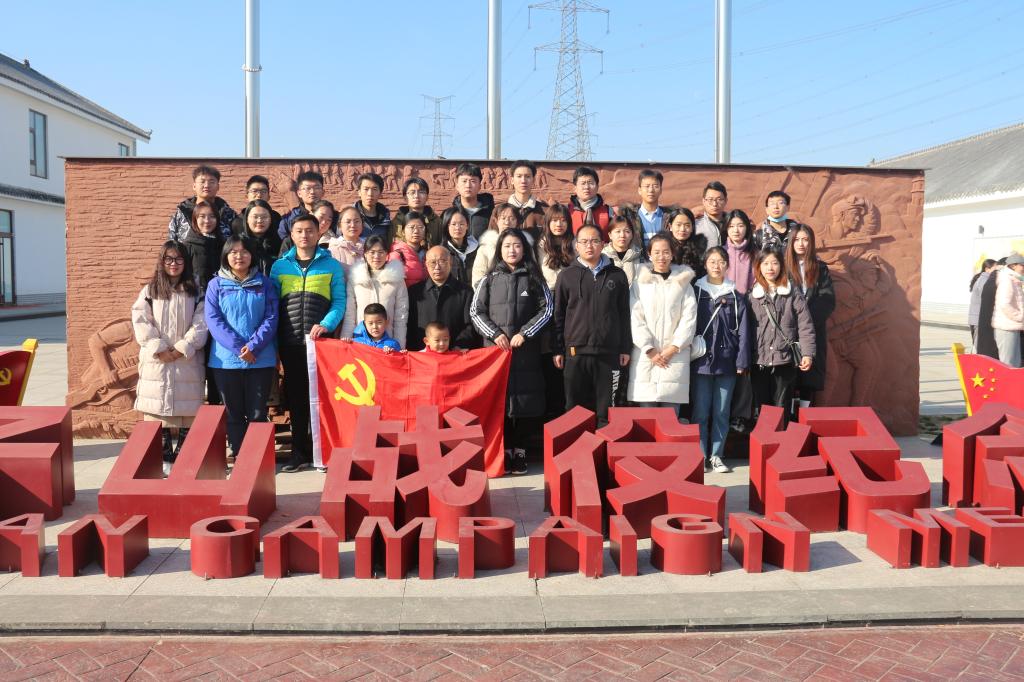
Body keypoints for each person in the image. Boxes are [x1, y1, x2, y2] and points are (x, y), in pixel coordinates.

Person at [470, 229, 553, 475]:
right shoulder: (489, 279)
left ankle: (520, 450)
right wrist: (495, 334)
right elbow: (476, 311)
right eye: (507, 246)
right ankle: (504, 450)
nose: (512, 250)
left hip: (526, 352)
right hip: (496, 353)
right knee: (501, 402)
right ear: (499, 249)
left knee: (527, 402)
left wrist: (525, 333)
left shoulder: (535, 278)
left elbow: (547, 310)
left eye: (517, 245)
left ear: (524, 249)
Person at [270, 213, 347, 473]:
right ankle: (299, 453)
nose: (305, 235)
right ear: (292, 235)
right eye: (299, 231)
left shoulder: (331, 265)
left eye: (310, 230)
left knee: (322, 398)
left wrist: (326, 324)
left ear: (318, 233)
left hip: (320, 346)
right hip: (290, 342)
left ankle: (322, 452)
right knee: (297, 399)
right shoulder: (280, 266)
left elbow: (339, 301)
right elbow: (273, 306)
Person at [131, 241, 208, 476]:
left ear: (186, 262)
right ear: (162, 261)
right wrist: (159, 348)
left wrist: (183, 347)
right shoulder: (150, 290)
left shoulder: (196, 289)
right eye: (169, 259)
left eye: (178, 259)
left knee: (187, 412)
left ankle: (183, 458)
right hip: (157, 362)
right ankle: (165, 458)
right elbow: (141, 319)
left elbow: (202, 321)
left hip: (186, 360)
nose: (173, 264)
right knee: (158, 411)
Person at [205, 236, 279, 462]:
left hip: (260, 358)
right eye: (234, 252)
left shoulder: (264, 283)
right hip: (226, 360)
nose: (239, 256)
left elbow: (271, 317)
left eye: (244, 251)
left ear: (252, 255)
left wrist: (254, 346)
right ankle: (238, 455)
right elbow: (213, 320)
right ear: (226, 256)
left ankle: (257, 459)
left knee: (257, 412)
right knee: (233, 412)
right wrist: (239, 348)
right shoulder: (216, 285)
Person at [553, 224, 632, 427]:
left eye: (595, 241)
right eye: (584, 241)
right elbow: (559, 315)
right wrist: (558, 349)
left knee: (607, 412)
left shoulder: (617, 275)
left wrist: (625, 347)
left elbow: (624, 314)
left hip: (609, 354)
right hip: (575, 353)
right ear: (576, 246)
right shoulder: (566, 276)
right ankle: (577, 448)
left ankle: (604, 447)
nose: (589, 246)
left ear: (603, 244)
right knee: (574, 411)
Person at [690, 246, 750, 474]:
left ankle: (717, 455)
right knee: (700, 412)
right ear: (705, 264)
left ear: (727, 265)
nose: (717, 266)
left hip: (727, 362)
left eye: (721, 262)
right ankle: (700, 455)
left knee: (722, 412)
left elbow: (744, 332)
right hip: (701, 362)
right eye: (712, 261)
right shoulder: (696, 292)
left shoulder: (736, 296)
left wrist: (741, 361)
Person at [626, 233, 697, 417]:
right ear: (649, 254)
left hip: (674, 357)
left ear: (672, 254)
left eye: (666, 252)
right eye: (656, 252)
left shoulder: (683, 284)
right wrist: (649, 349)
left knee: (670, 419)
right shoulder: (639, 284)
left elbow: (689, 319)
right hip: (646, 357)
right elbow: (635, 317)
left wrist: (673, 348)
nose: (661, 257)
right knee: (647, 419)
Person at [749, 249, 816, 423]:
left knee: (782, 406)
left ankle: (781, 438)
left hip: (785, 360)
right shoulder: (752, 295)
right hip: (759, 361)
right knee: (761, 407)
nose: (770, 268)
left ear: (781, 266)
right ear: (759, 267)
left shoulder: (792, 293)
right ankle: (765, 439)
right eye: (765, 263)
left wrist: (807, 354)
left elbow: (805, 324)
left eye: (774, 263)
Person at [786, 225, 836, 407]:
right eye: (797, 239)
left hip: (812, 328)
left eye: (805, 239)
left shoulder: (820, 268)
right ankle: (790, 414)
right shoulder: (783, 267)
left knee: (809, 375)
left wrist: (806, 321)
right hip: (788, 329)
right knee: (789, 375)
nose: (801, 243)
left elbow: (827, 299)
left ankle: (804, 412)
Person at [340, 235, 409, 349]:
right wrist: (345, 343)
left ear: (387, 254)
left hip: (388, 345)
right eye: (372, 252)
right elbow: (350, 314)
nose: (376, 256)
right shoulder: (356, 278)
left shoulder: (397, 279)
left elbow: (401, 316)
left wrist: (399, 346)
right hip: (360, 343)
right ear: (365, 254)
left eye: (381, 252)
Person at [407, 246, 477, 351]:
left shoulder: (465, 292)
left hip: (455, 353)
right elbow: (410, 326)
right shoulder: (415, 292)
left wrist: (459, 345)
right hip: (422, 354)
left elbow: (470, 325)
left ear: (451, 262)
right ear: (426, 264)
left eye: (442, 261)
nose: (437, 267)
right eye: (433, 262)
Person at [168, 165, 236, 241]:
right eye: (202, 182)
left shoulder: (228, 214)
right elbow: (172, 243)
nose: (206, 185)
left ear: (218, 187)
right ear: (194, 186)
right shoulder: (182, 212)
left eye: (211, 182)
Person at [472, 203, 527, 287]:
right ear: (496, 221)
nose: (507, 222)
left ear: (517, 222)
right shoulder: (486, 248)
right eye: (503, 218)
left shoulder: (525, 246)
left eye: (512, 219)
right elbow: (478, 277)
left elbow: (533, 272)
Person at [178, 199, 224, 292]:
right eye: (202, 216)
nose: (207, 221)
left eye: (212, 216)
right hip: (195, 297)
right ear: (195, 219)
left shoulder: (224, 245)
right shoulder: (187, 247)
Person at [442, 163, 495, 240]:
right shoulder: (449, 215)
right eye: (464, 181)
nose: (468, 185)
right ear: (457, 186)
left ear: (480, 186)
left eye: (473, 181)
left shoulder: (491, 213)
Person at [617, 169, 667, 247]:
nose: (651, 190)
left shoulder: (669, 217)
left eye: (655, 186)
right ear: (639, 190)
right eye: (647, 186)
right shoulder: (628, 217)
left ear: (661, 190)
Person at [992, 253, 1024, 367]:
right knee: (1007, 363)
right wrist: (1020, 316)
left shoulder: (1014, 280)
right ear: (1013, 265)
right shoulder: (1007, 280)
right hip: (1006, 327)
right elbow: (1004, 304)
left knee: (1015, 363)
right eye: (1022, 265)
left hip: (1012, 326)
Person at [567, 166, 615, 239]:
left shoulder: (609, 211)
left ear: (597, 187)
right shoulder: (567, 211)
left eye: (590, 183)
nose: (586, 187)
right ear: (575, 188)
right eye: (583, 183)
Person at [537, 203, 575, 290]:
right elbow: (547, 274)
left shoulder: (575, 242)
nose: (559, 224)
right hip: (551, 290)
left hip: (573, 289)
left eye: (563, 220)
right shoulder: (542, 244)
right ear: (548, 222)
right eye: (554, 220)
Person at [395, 177, 442, 247]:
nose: (416, 196)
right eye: (412, 192)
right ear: (405, 197)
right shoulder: (396, 222)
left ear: (427, 197)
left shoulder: (437, 222)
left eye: (421, 192)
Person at [239, 199, 282, 276]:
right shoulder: (238, 243)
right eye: (255, 217)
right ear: (247, 219)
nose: (259, 221)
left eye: (264, 217)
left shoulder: (279, 243)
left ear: (271, 219)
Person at [278, 170, 325, 238]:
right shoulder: (287, 220)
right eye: (307, 188)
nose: (312, 192)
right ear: (299, 193)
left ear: (323, 192)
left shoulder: (333, 217)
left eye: (316, 188)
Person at [507, 160, 548, 235]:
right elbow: (491, 240)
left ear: (533, 180)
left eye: (528, 176)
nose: (523, 181)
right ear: (512, 180)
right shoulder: (500, 211)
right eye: (519, 176)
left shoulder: (545, 211)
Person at [389, 211, 428, 288]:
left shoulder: (428, 254)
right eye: (411, 227)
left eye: (420, 227)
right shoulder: (397, 255)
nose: (416, 231)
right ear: (403, 231)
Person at [602, 215, 645, 285]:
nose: (622, 235)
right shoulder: (602, 258)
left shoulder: (640, 257)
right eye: (618, 231)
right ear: (610, 235)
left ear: (632, 235)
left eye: (627, 231)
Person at [666, 208, 707, 278]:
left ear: (692, 228)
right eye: (678, 225)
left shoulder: (699, 250)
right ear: (670, 226)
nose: (682, 229)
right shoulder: (663, 247)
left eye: (687, 225)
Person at [441, 207, 478, 284]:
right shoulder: (442, 252)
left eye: (461, 224)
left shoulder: (476, 249)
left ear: (467, 226)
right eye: (453, 224)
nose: (457, 228)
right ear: (447, 226)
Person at [723, 209, 755, 295]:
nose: (736, 230)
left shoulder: (755, 253)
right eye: (731, 226)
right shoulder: (721, 252)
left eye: (740, 226)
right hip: (724, 300)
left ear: (747, 227)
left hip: (750, 300)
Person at [354, 172, 392, 241]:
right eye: (366, 189)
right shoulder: (350, 215)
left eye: (374, 189)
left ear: (380, 193)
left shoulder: (386, 217)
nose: (370, 194)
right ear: (359, 192)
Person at [327, 206, 365, 271]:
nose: (353, 225)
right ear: (339, 226)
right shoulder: (331, 251)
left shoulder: (369, 247)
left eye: (357, 221)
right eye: (348, 222)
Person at [968, 259, 998, 342]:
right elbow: (987, 299)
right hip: (978, 319)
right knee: (978, 346)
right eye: (995, 269)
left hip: (979, 318)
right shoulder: (984, 280)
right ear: (987, 269)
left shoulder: (985, 279)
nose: (997, 271)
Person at [695, 181, 726, 247]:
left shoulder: (733, 224)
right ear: (704, 201)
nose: (715, 204)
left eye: (719, 199)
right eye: (710, 199)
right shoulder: (695, 225)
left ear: (726, 201)